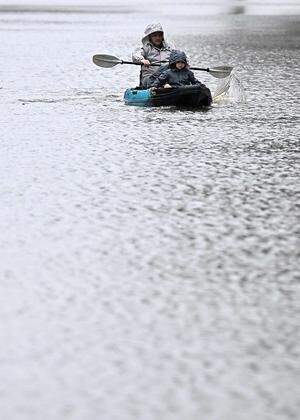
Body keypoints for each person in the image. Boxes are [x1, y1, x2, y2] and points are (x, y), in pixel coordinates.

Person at [132, 23, 175, 88]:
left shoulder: (169, 47)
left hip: (167, 76)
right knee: (152, 80)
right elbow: (135, 55)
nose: (158, 38)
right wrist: (142, 60)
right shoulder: (145, 48)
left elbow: (179, 56)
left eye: (160, 35)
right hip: (150, 77)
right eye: (155, 36)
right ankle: (164, 86)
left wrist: (185, 64)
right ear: (149, 37)